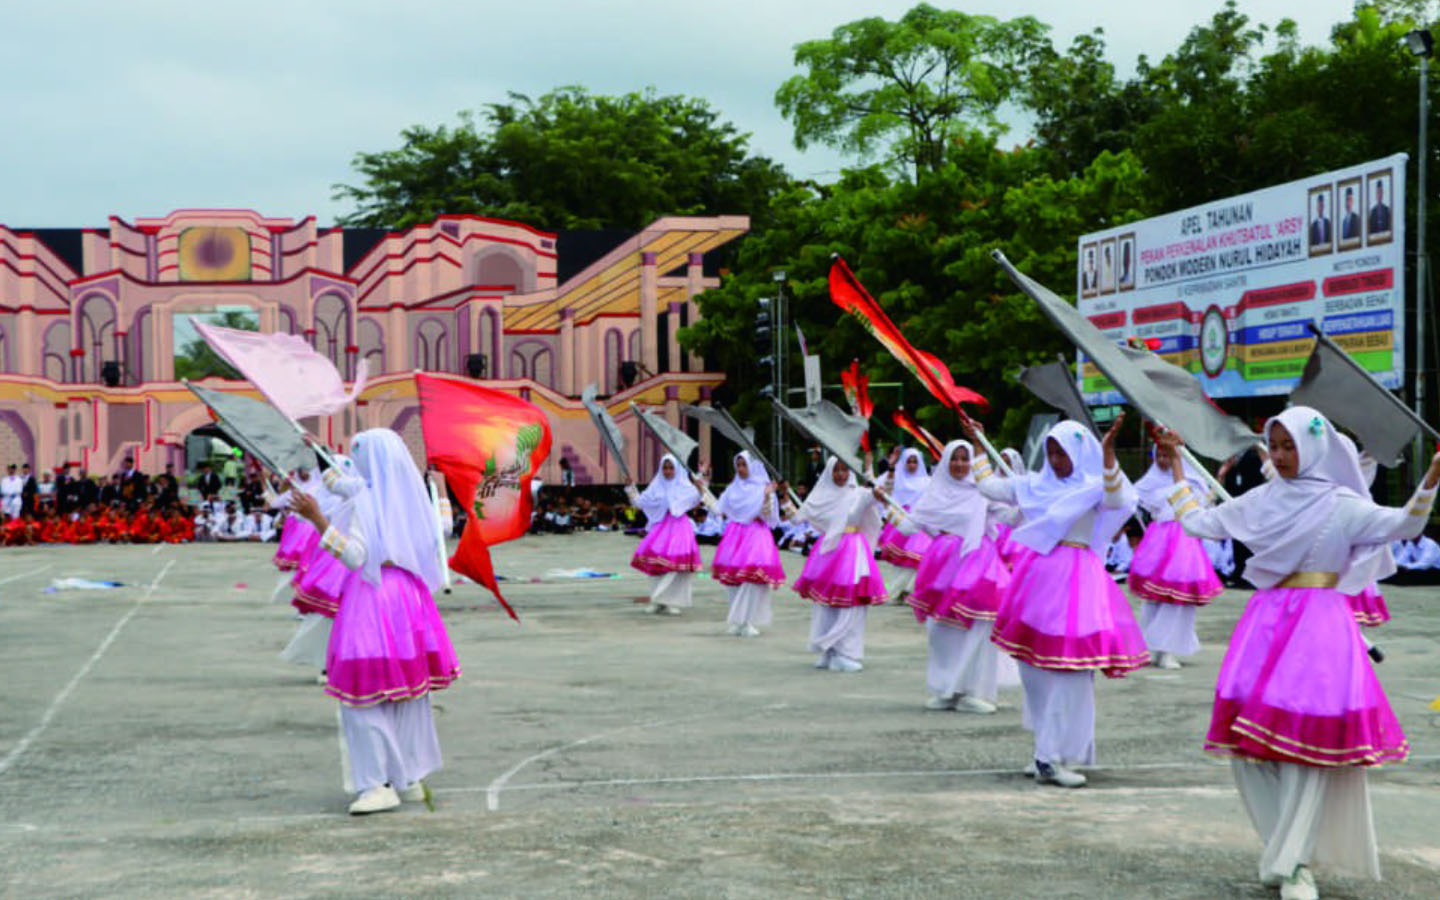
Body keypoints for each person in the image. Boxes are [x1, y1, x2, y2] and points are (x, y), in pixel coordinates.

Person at [1157, 407, 1438, 900]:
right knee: (1247, 751)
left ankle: (1293, 866)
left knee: (1308, 749)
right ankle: (1283, 851)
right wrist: (1177, 464)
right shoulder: (1260, 499)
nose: (1281, 455)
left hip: (1321, 628)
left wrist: (1432, 476)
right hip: (1264, 625)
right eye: (1276, 445)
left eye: (1290, 446)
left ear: (1313, 448)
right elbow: (1199, 523)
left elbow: (1403, 525)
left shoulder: (1343, 504)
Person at [290, 428, 461, 816]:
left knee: (362, 694)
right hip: (410, 599)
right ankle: (408, 777)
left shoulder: (365, 499)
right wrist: (318, 450)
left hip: (373, 597)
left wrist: (318, 520)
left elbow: (355, 556)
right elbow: (443, 529)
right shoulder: (412, 496)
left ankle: (376, 784)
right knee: (407, 693)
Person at [972, 416, 1149, 788]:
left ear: (1079, 453)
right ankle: (1046, 752)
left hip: (1079, 581)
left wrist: (1109, 455)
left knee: (1072, 669)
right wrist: (977, 442)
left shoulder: (1095, 486)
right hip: (1037, 578)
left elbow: (1119, 499)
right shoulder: (1034, 485)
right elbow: (988, 486)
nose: (1055, 460)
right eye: (1050, 452)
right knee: (1035, 670)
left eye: (1062, 453)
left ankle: (1053, 753)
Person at [901, 440, 1016, 713]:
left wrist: (1027, 499)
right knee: (941, 629)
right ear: (945, 461)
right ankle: (945, 689)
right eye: (955, 458)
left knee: (978, 626)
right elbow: (908, 526)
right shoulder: (934, 493)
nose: (960, 464)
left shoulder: (983, 493)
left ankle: (975, 691)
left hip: (979, 562)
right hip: (941, 564)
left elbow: (1011, 517)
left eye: (965, 458)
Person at [785, 457, 887, 672]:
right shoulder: (820, 496)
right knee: (826, 603)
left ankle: (845, 652)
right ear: (829, 472)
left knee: (852, 603)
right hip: (828, 551)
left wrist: (878, 493)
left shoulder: (859, 493)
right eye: (836, 470)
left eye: (844, 470)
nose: (841, 475)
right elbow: (796, 519)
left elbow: (873, 497)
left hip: (853, 550)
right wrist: (785, 498)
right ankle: (830, 651)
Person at [1128, 446, 1225, 669]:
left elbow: (1203, 506)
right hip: (1157, 542)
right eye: (1159, 456)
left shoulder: (1194, 481)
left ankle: (1168, 650)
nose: (1163, 460)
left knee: (1179, 596)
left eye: (1167, 455)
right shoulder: (1148, 482)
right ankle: (1151, 648)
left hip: (1184, 541)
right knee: (1154, 598)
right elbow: (1133, 500)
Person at [710, 451, 784, 637]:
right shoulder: (733, 488)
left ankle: (748, 620)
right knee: (734, 580)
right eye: (738, 465)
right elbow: (718, 508)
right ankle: (738, 622)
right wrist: (702, 487)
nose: (741, 469)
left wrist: (767, 497)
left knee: (753, 579)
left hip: (756, 535)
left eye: (744, 465)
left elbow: (768, 517)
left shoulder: (763, 488)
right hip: (734, 536)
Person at [625, 455, 705, 615]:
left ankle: (668, 601)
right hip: (660, 527)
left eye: (671, 468)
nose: (668, 471)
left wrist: (699, 486)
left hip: (680, 528)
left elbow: (697, 498)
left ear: (677, 469)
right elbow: (639, 503)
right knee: (657, 565)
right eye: (665, 468)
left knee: (675, 566)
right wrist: (630, 488)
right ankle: (658, 601)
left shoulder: (684, 486)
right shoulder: (656, 486)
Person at [876, 448, 931, 601]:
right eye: (909, 461)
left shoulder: (928, 482)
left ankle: (910, 590)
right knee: (902, 562)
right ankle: (897, 590)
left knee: (918, 559)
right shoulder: (898, 478)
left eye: (915, 462)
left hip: (920, 524)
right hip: (901, 523)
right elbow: (886, 491)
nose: (912, 465)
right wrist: (891, 467)